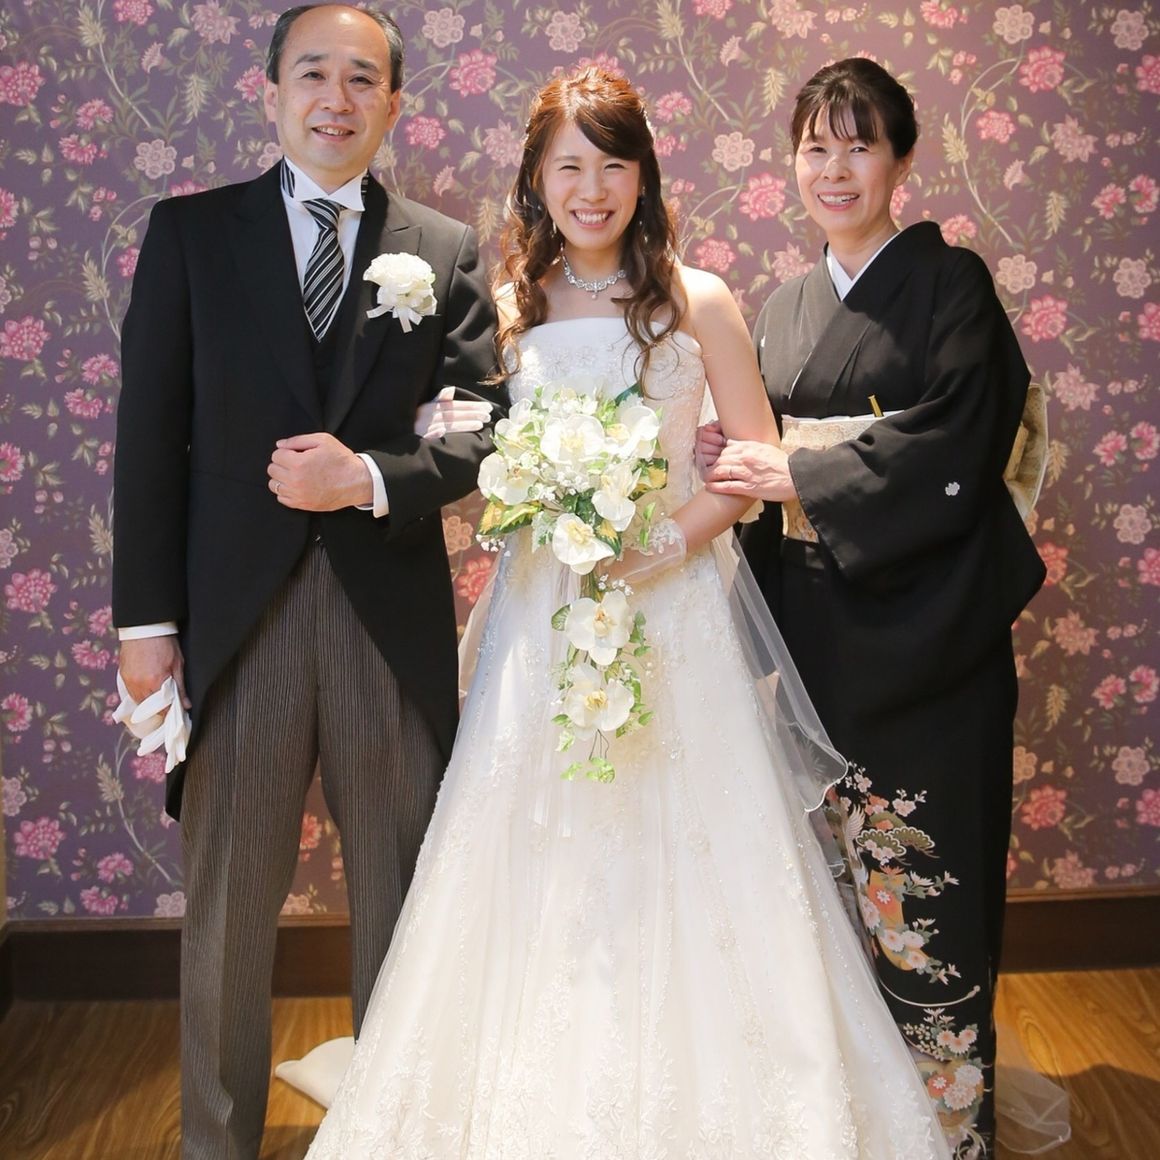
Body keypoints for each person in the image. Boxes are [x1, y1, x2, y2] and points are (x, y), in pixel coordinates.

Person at [293, 66, 952, 1158]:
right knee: (532, 847)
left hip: (672, 609)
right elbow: (474, 454)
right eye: (568, 168)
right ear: (536, 181)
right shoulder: (507, 309)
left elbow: (749, 464)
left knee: (699, 850)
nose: (590, 190)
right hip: (541, 618)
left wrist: (661, 543)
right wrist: (522, 502)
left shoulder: (698, 300)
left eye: (612, 165)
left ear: (643, 176)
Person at [111, 5, 504, 1157]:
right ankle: (216, 1140)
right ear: (271, 91)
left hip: (390, 615)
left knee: (402, 895)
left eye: (363, 79)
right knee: (229, 904)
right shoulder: (191, 235)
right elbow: (149, 439)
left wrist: (368, 478)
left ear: (394, 103)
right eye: (314, 75)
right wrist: (146, 623)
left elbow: (482, 430)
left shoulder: (442, 248)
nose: (337, 99)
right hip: (241, 618)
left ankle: (394, 1134)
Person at [698, 59, 1047, 1158]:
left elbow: (962, 443)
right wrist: (727, 459)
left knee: (930, 902)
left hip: (929, 642)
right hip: (815, 641)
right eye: (815, 146)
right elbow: (755, 453)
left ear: (900, 160)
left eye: (858, 144)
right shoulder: (782, 306)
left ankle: (947, 1130)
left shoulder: (952, 285)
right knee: (829, 910)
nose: (835, 168)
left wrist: (796, 471)